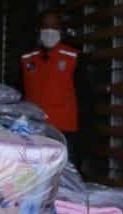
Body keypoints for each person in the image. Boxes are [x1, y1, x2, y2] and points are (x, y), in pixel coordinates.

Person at [19, 11, 90, 169]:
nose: (50, 31)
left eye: (55, 27)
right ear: (38, 29)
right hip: (33, 132)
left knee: (66, 180)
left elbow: (85, 99)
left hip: (65, 133)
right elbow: (18, 95)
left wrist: (84, 137)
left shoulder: (74, 58)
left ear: (62, 30)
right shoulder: (26, 59)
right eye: (46, 26)